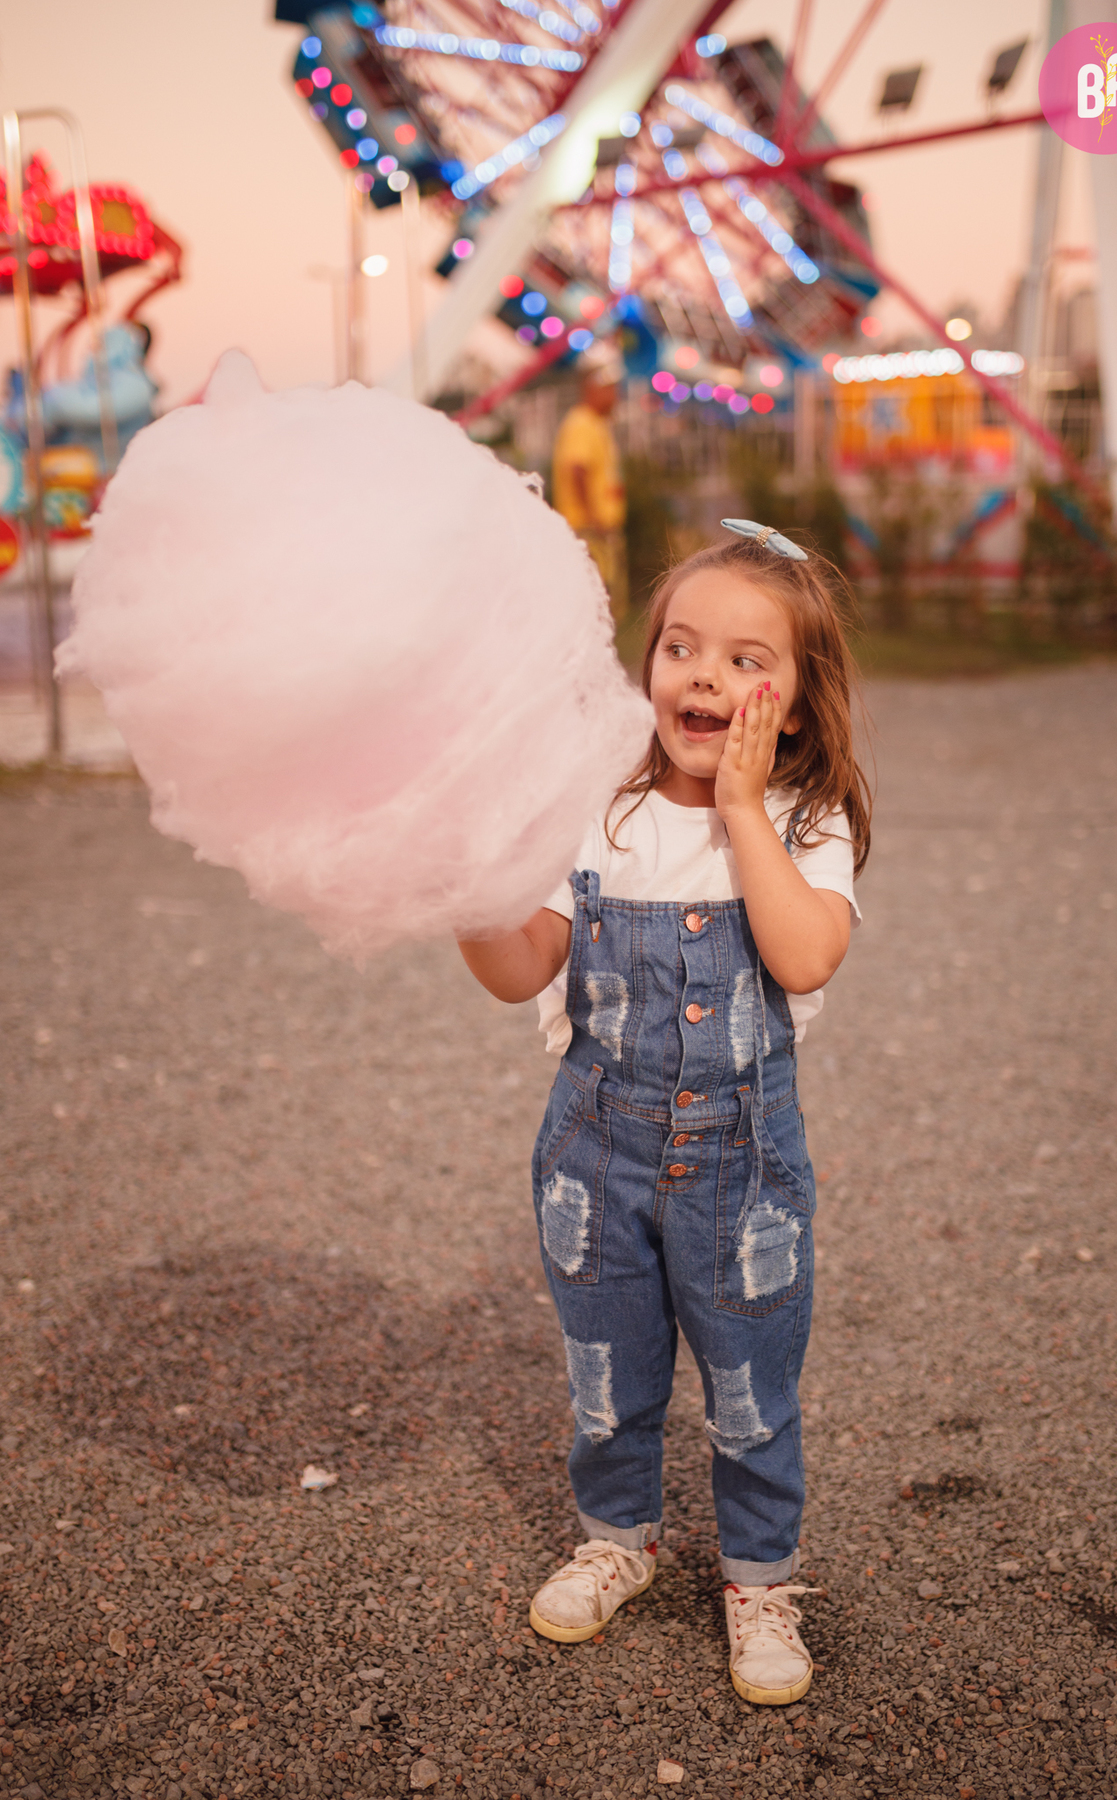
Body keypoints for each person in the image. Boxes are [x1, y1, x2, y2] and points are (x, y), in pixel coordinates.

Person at [457, 520, 871, 1706]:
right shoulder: (598, 811)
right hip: (593, 1155)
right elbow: (517, 966)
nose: (703, 674)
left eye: (746, 659)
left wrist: (742, 810)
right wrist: (460, 880)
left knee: (749, 1389)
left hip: (741, 1173)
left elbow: (801, 957)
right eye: (680, 647)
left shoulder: (803, 822)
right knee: (608, 1373)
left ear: (793, 705)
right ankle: (618, 1537)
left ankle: (758, 1579)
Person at [551, 371, 628, 622]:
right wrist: (594, 516)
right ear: (592, 389)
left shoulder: (596, 423)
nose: (616, 397)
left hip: (596, 527)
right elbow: (576, 470)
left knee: (604, 597)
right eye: (611, 390)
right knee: (595, 597)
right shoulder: (581, 422)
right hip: (587, 528)